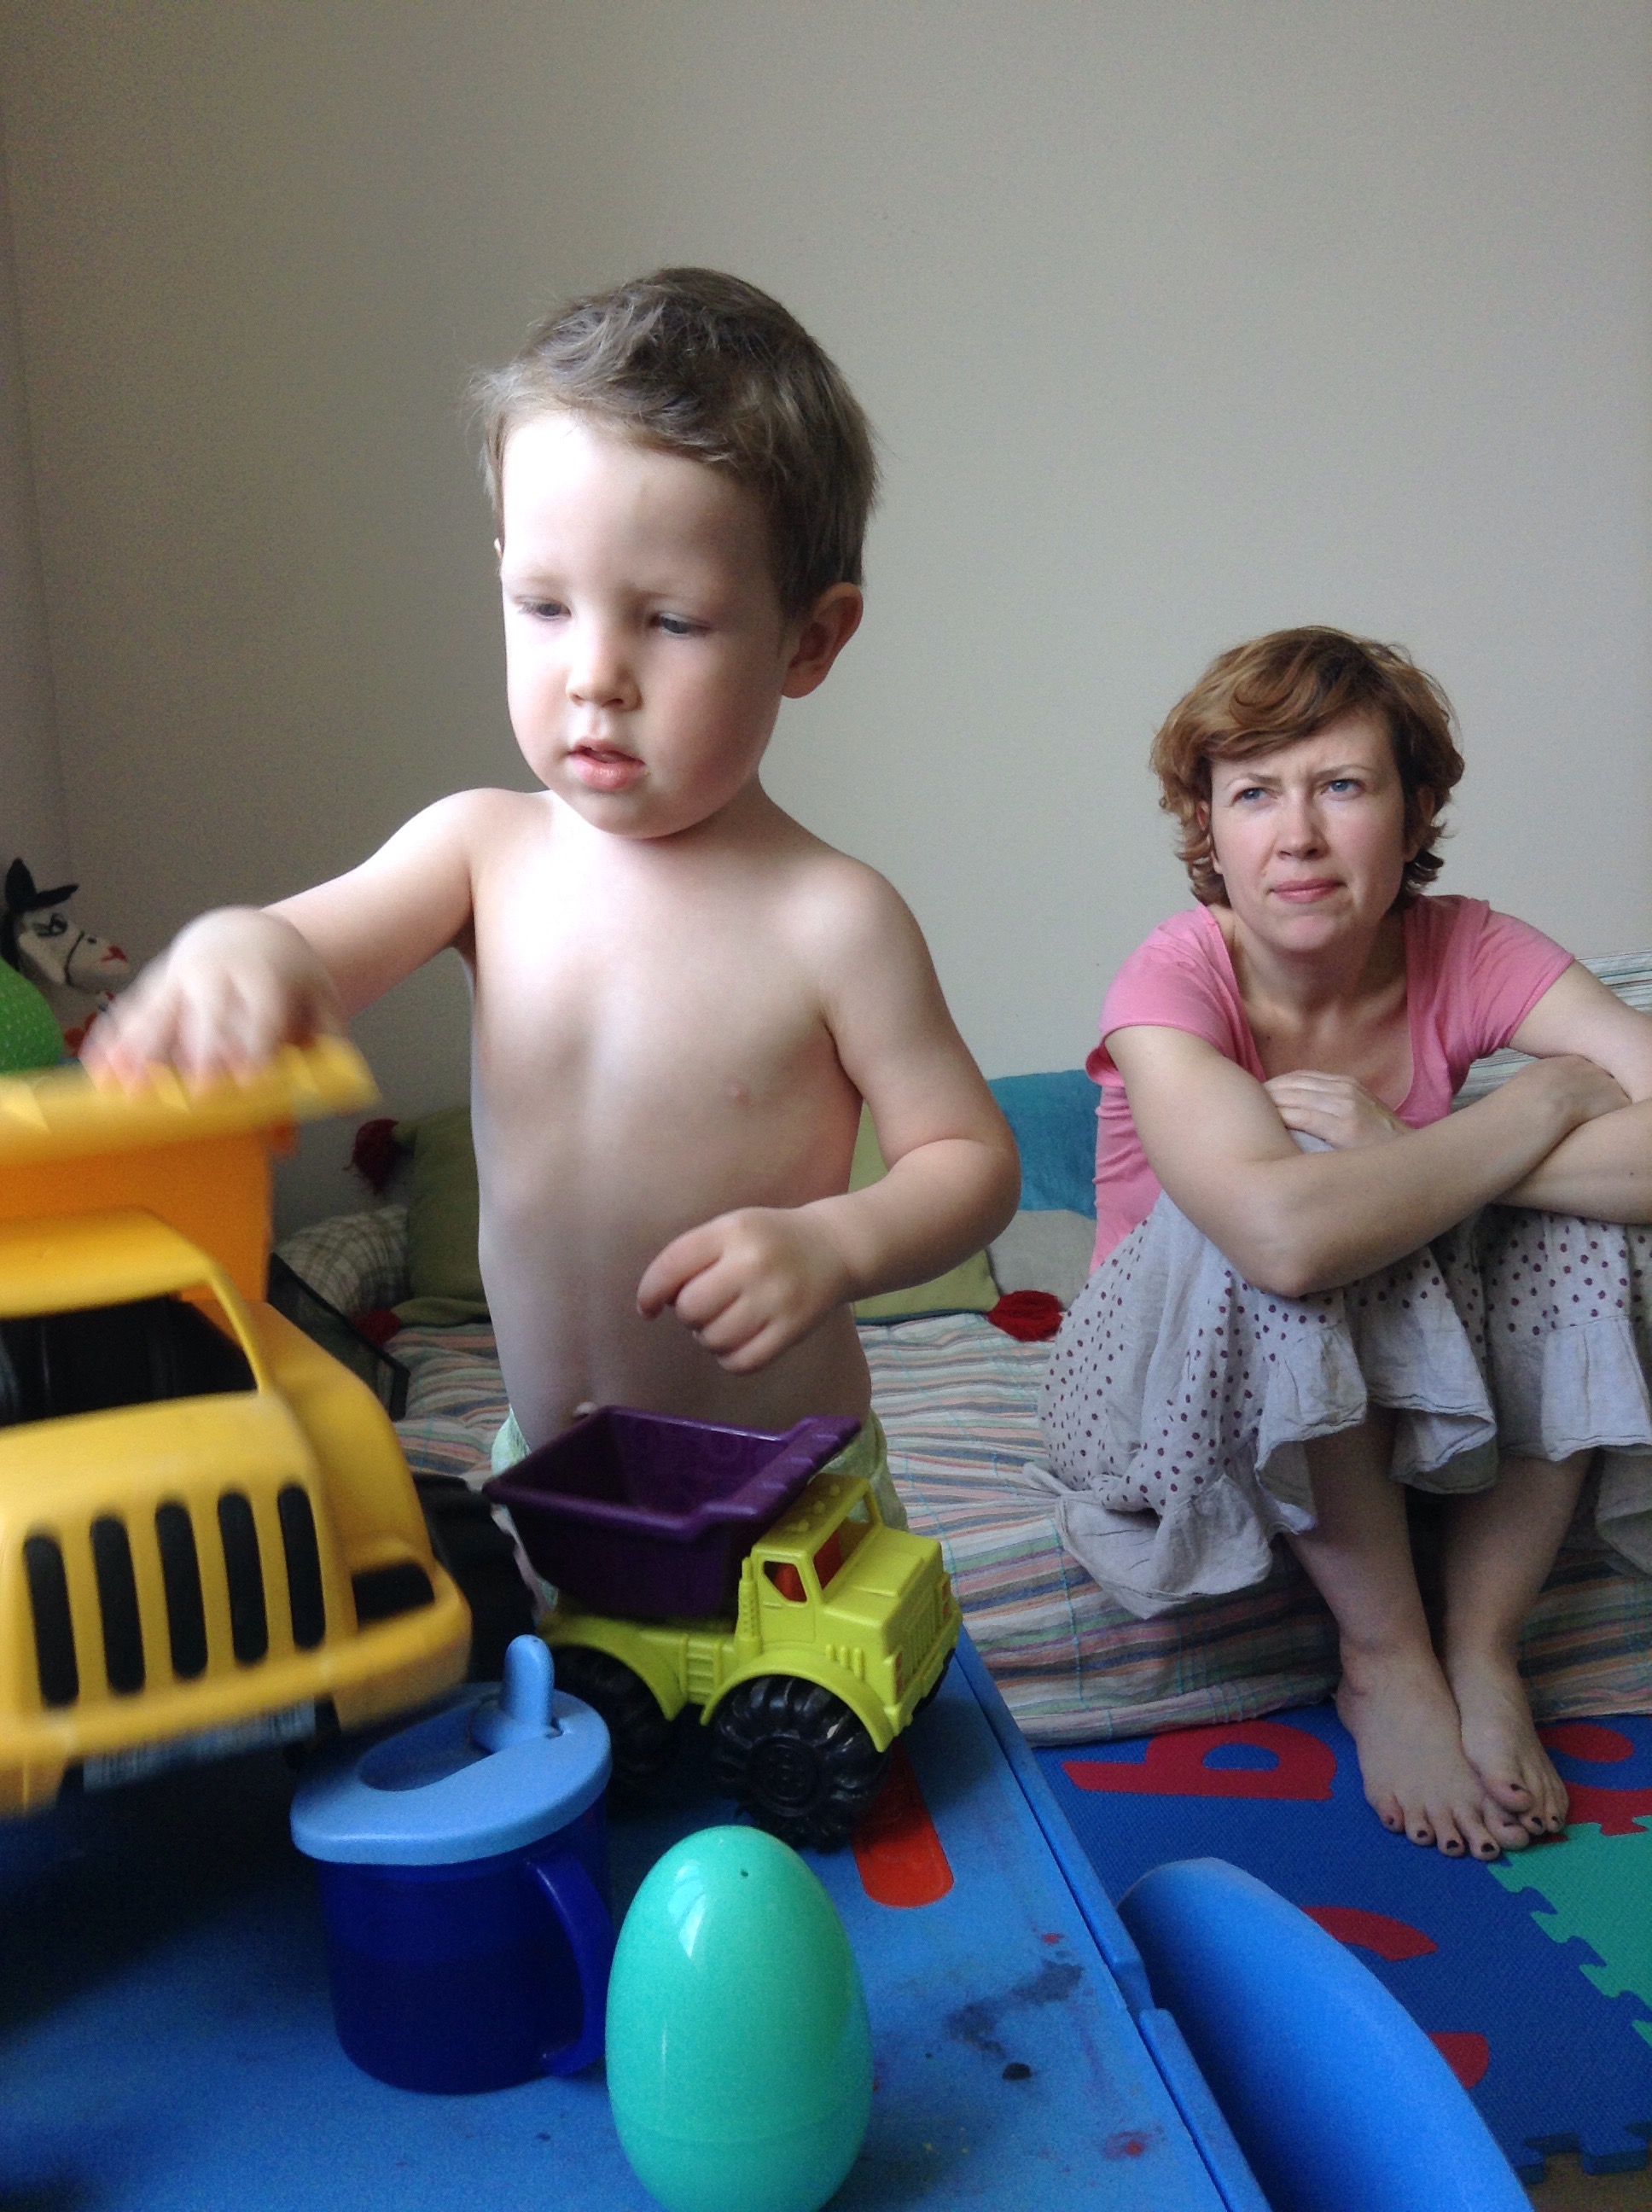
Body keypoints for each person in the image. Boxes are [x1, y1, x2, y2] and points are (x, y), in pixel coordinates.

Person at [89, 267, 1020, 1527]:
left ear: (809, 640)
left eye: (671, 622)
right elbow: (309, 948)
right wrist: (237, 951)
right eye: (542, 605)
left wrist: (836, 1244)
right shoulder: (482, 850)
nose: (594, 676)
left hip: (781, 1494)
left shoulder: (832, 918)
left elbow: (968, 1160)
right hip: (551, 1473)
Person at [1039, 626, 1652, 1861]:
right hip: (1161, 1393)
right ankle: (1386, 1659)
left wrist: (1429, 1156)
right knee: (1296, 1194)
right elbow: (1282, 1240)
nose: (1298, 836)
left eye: (1343, 786)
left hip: (1403, 1375)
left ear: (1414, 810)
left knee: (1571, 1219)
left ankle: (1481, 1648)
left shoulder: (1468, 946)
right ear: (1208, 828)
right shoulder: (1170, 982)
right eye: (1254, 795)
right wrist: (1526, 1109)